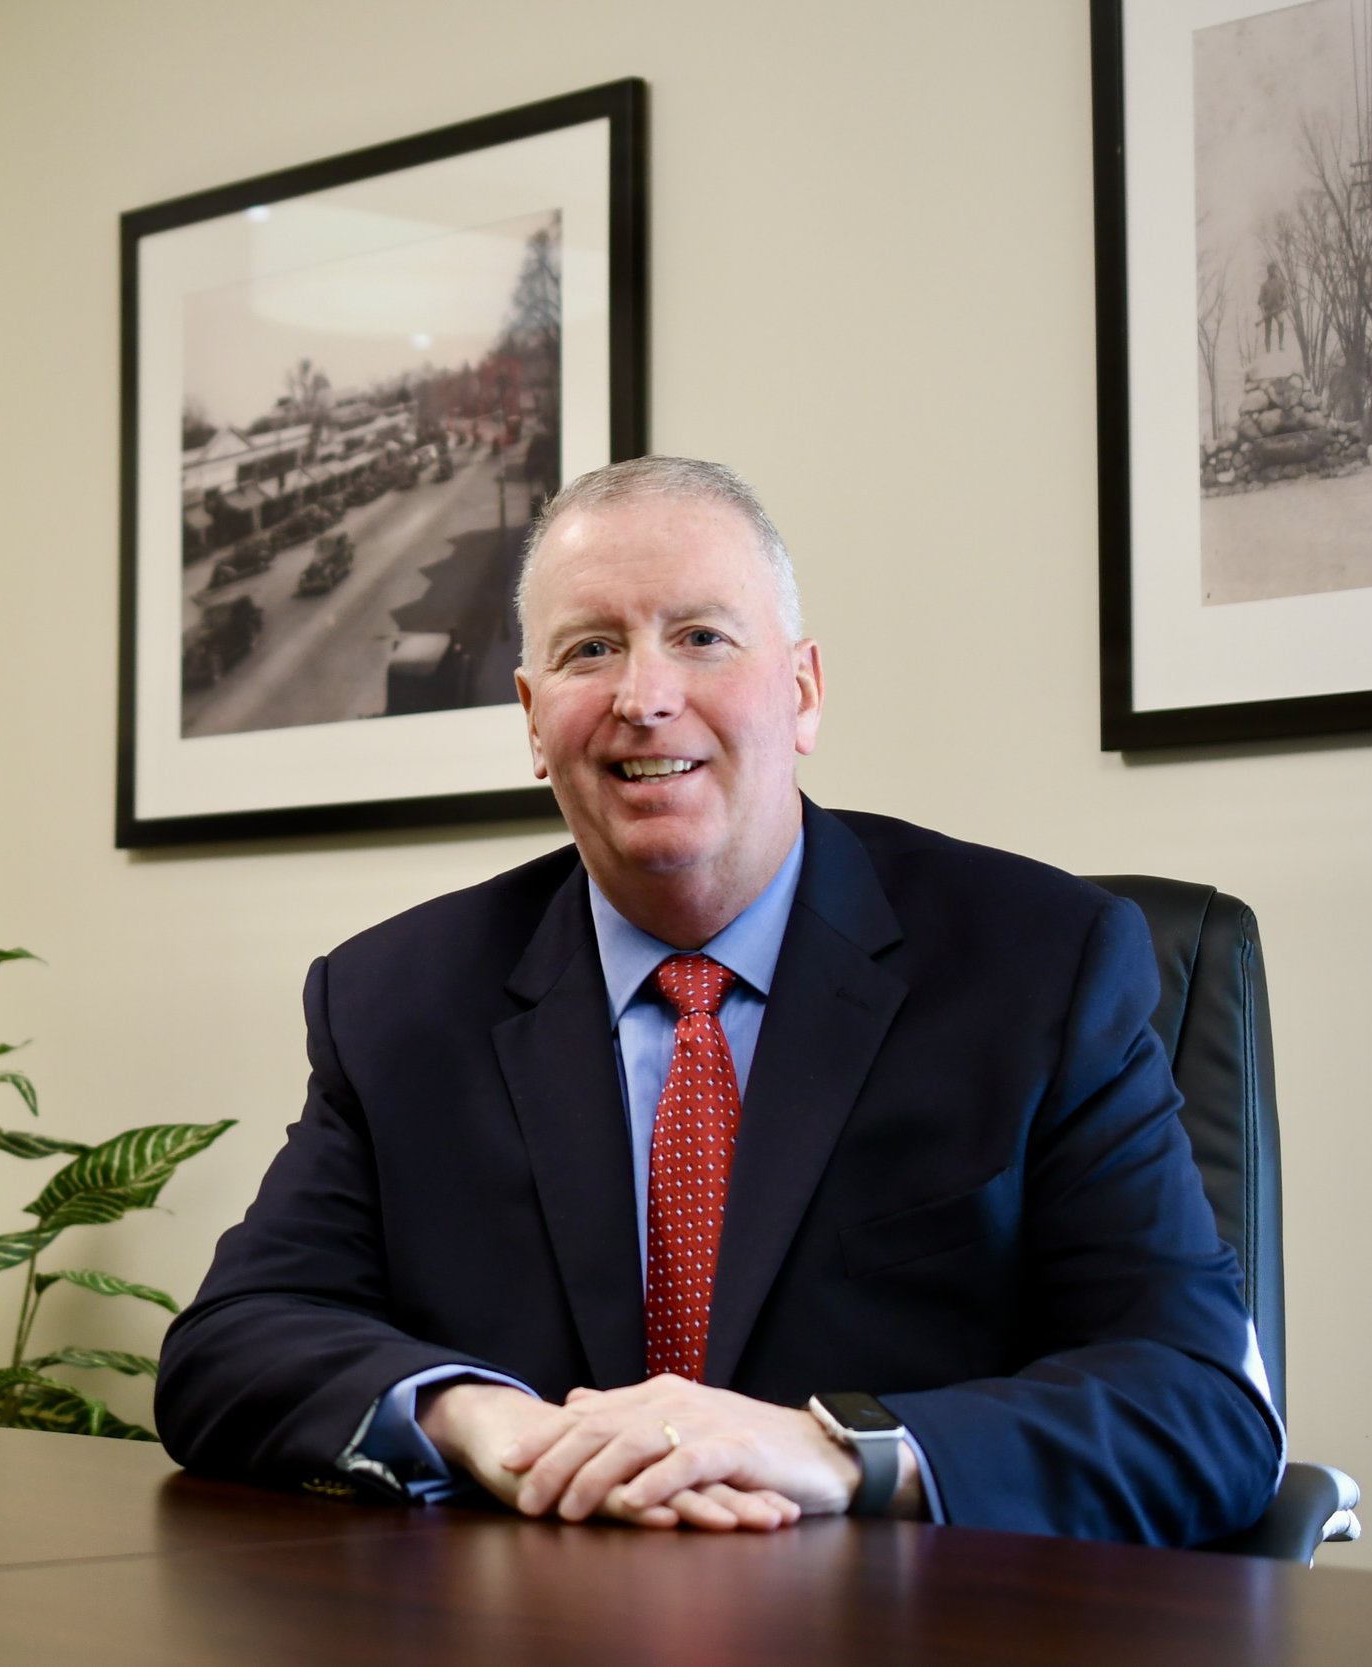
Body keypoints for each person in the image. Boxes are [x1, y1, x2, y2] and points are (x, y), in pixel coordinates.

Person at [155, 457, 1281, 1546]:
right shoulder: (395, 1000)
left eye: (700, 636)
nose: (645, 698)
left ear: (800, 692)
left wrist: (837, 1449)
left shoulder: (1041, 964)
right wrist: (478, 1419)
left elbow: (1199, 1404)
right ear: (533, 718)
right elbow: (230, 1344)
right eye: (591, 648)